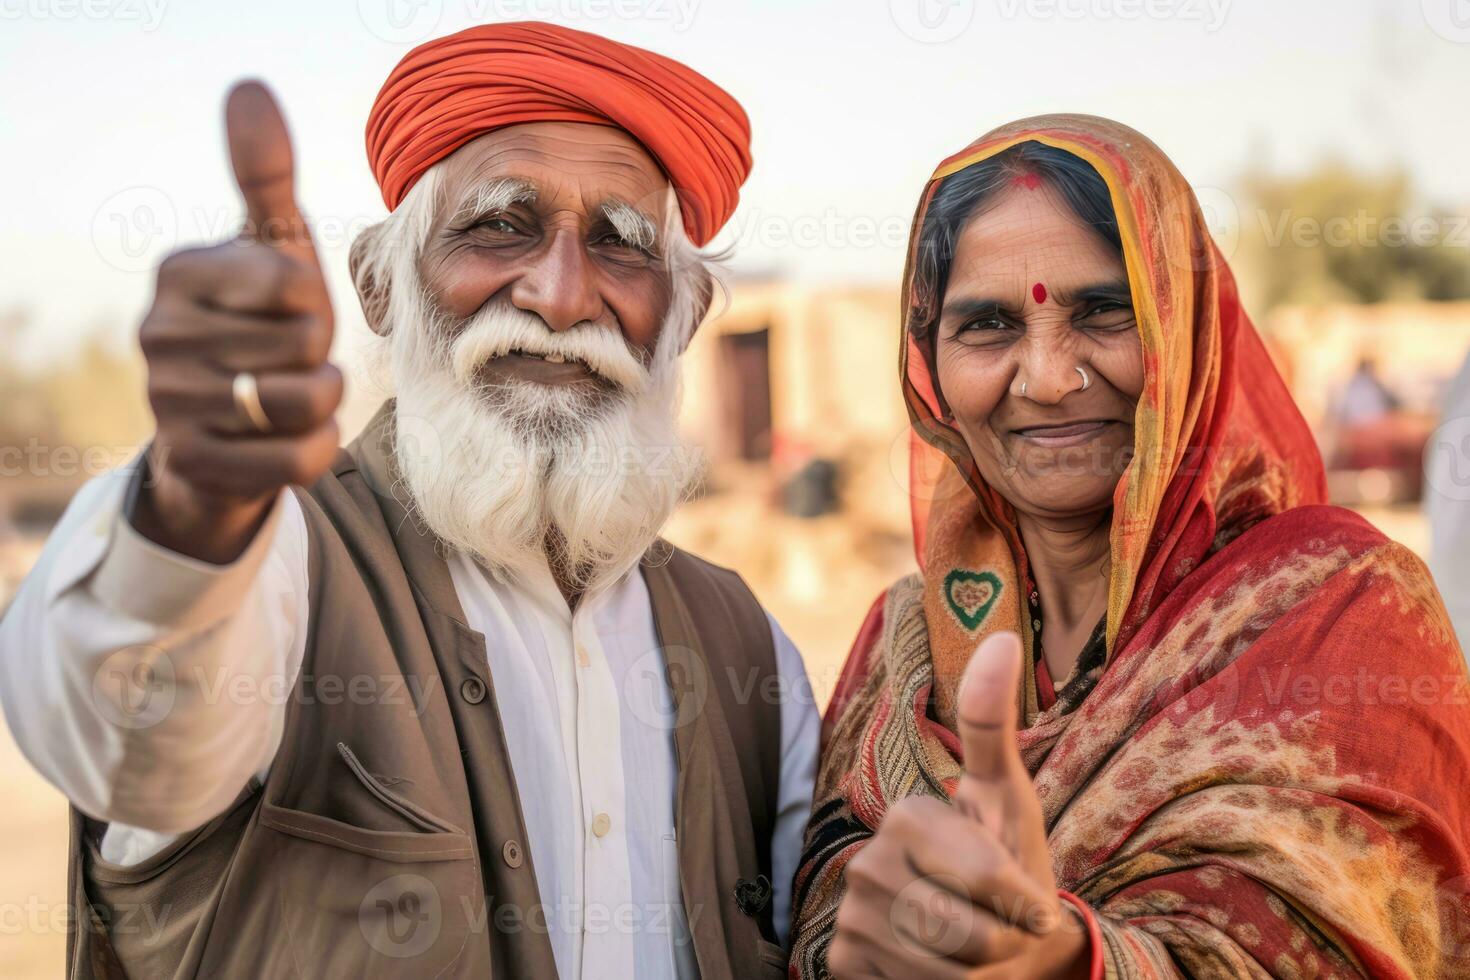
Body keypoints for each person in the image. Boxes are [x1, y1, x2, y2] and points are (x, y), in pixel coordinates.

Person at [0, 22, 817, 980]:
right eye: (499, 226)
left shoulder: (747, 649)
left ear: (684, 318)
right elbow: (123, 736)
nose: (560, 293)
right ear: (379, 290)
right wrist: (193, 514)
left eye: (621, 246)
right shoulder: (285, 567)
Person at [789, 115, 1470, 978]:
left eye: (1106, 312)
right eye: (988, 326)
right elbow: (807, 895)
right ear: (928, 363)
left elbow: (1369, 946)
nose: (1046, 377)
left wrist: (1072, 960)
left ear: (1186, 333)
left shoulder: (1342, 610)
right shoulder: (904, 642)